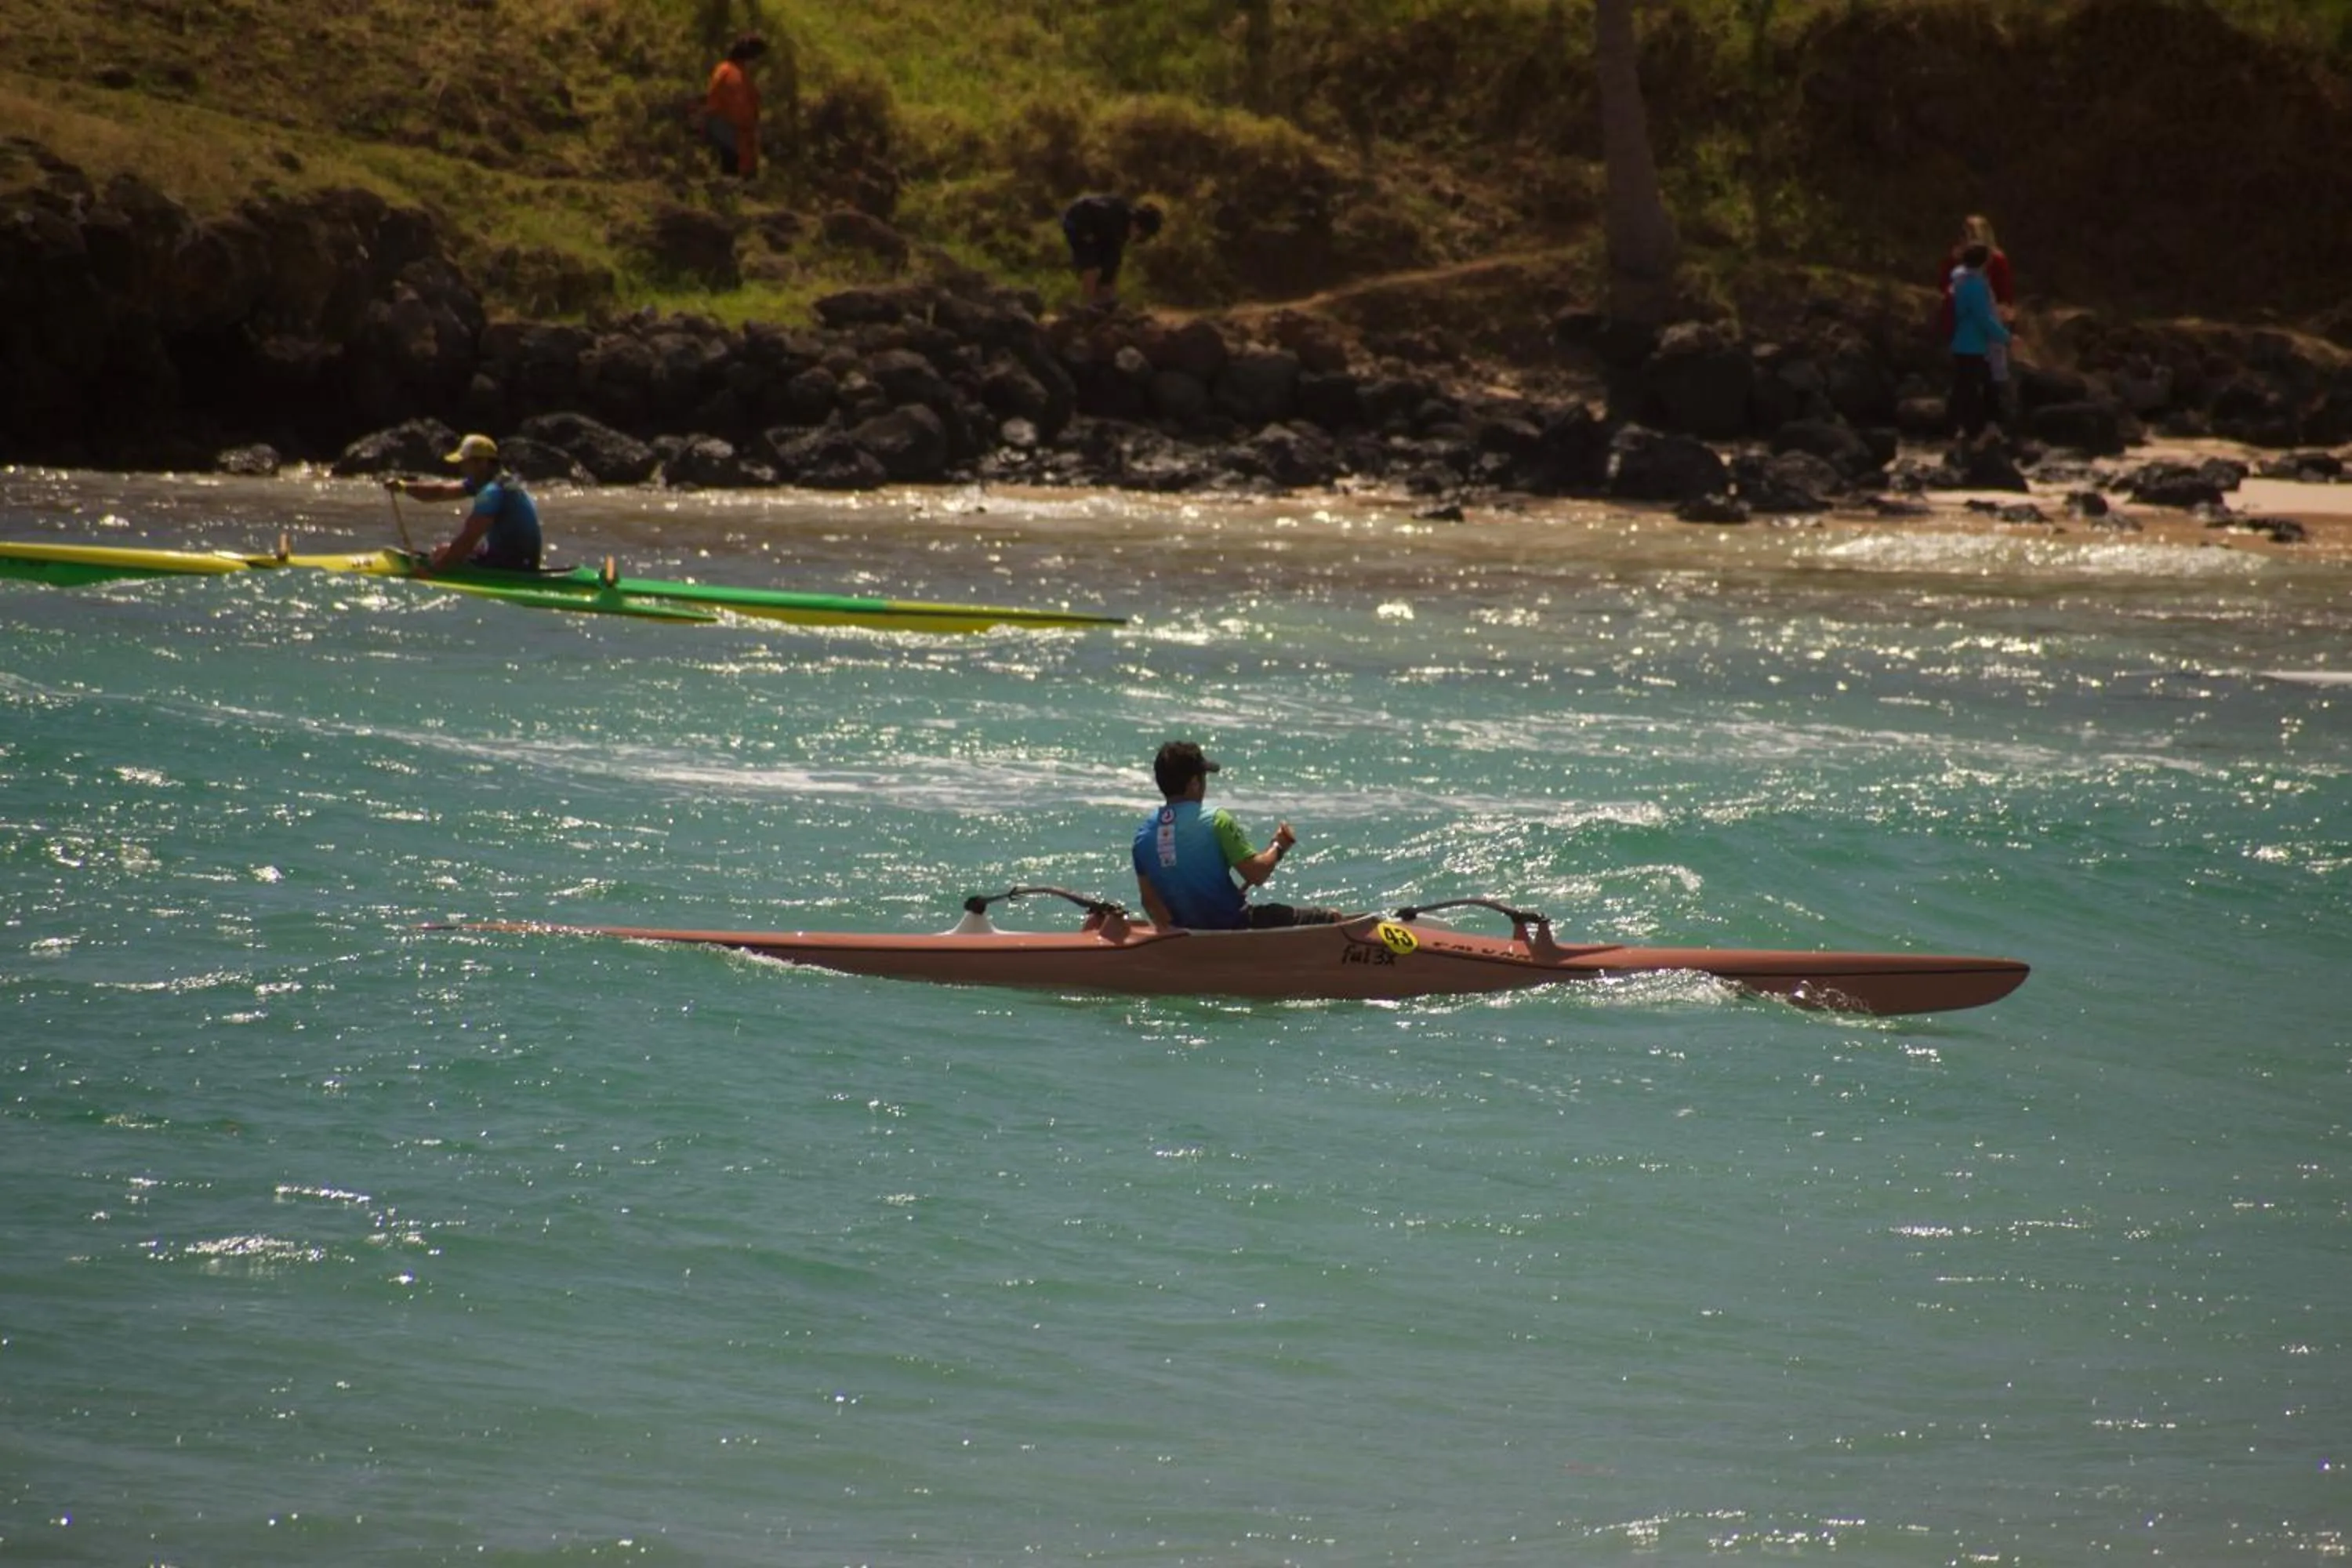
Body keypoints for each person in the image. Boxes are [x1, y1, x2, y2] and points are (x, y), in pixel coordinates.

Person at [1131, 741, 1341, 931]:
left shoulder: (1143, 836)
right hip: (1237, 924)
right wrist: (1278, 847)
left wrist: (1180, 934)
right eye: (1204, 778)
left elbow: (1150, 903)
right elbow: (1256, 874)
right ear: (1195, 782)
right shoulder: (1216, 820)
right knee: (1329, 917)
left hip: (1187, 934)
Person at [384, 434, 543, 575]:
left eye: (465, 463)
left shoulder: (492, 491)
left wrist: (434, 571)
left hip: (512, 566)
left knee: (444, 555)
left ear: (482, 463)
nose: (461, 468)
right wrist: (404, 487)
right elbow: (440, 492)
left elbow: (468, 540)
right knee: (444, 551)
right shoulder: (494, 481)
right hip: (519, 559)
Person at [1946, 244, 2012, 445]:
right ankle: (1974, 431)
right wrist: (2006, 337)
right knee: (1975, 388)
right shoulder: (1974, 285)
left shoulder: (1959, 278)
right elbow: (1983, 318)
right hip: (1974, 344)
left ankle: (1965, 429)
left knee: (1966, 387)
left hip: (1963, 341)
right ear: (1984, 262)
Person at [1061, 194, 1163, 310]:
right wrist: (1086, 236)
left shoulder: (1122, 230)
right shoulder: (1109, 215)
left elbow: (1112, 261)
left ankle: (1106, 305)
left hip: (1104, 233)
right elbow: (1084, 208)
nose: (1139, 241)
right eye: (1141, 237)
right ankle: (1087, 306)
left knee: (1111, 266)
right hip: (1079, 221)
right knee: (1090, 266)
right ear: (1136, 225)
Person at [702, 32, 766, 180]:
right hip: (728, 126)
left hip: (721, 123)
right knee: (731, 166)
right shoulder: (734, 75)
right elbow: (739, 108)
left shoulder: (725, 69)